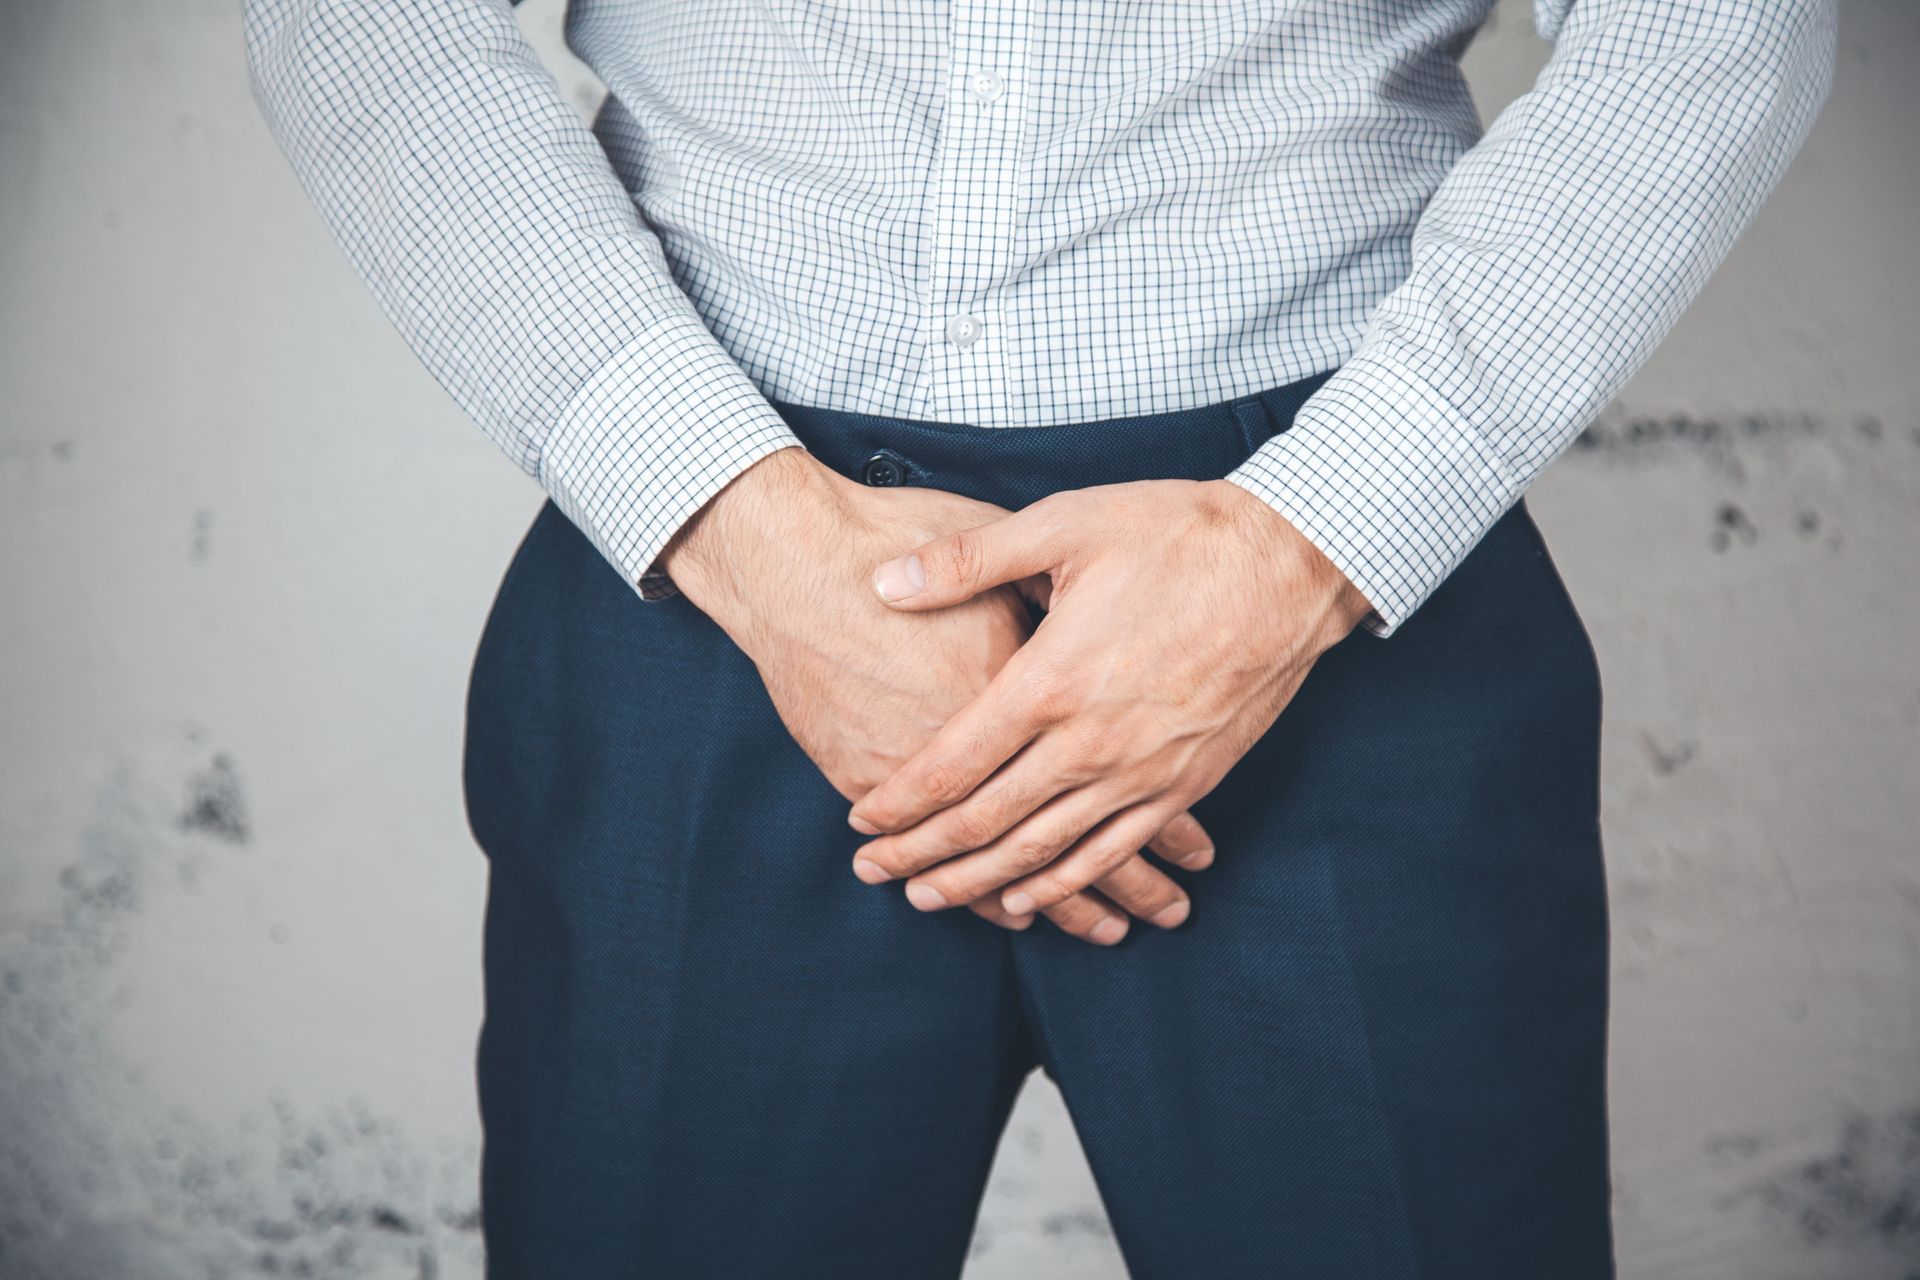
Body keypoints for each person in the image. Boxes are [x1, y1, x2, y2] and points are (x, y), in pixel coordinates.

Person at [243, 0, 1835, 1274]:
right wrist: (751, 535)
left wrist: (1307, 545)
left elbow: (1711, 23)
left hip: (1338, 606)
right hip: (713, 586)